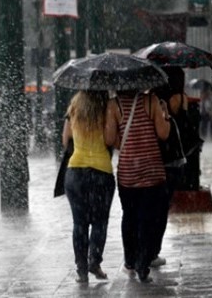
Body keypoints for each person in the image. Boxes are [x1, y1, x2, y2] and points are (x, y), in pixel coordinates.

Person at [105, 89, 170, 283]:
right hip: (152, 170)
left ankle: (130, 261)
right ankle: (143, 263)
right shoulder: (151, 101)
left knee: (130, 216)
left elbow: (109, 139)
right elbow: (163, 133)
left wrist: (126, 142)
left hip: (128, 173)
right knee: (148, 218)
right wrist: (164, 115)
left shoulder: (113, 105)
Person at [61, 90, 118, 283]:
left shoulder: (74, 107)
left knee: (79, 223)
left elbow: (65, 139)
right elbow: (110, 139)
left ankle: (82, 270)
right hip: (101, 172)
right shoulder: (106, 108)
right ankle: (95, 261)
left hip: (75, 172)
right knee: (99, 222)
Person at [150, 67, 190, 268]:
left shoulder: (154, 99)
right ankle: (153, 250)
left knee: (150, 207)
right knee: (162, 209)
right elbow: (185, 126)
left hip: (155, 158)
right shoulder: (180, 98)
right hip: (174, 160)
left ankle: (146, 249)